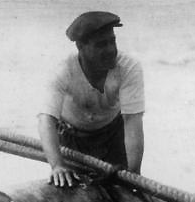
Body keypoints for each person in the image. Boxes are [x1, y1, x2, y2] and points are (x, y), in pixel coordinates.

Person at [38, 11, 145, 188]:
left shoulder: (128, 67)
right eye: (101, 45)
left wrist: (134, 175)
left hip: (113, 135)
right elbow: (46, 119)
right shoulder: (63, 70)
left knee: (122, 193)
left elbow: (132, 120)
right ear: (80, 47)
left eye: (112, 41)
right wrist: (57, 165)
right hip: (72, 139)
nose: (111, 50)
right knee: (74, 194)